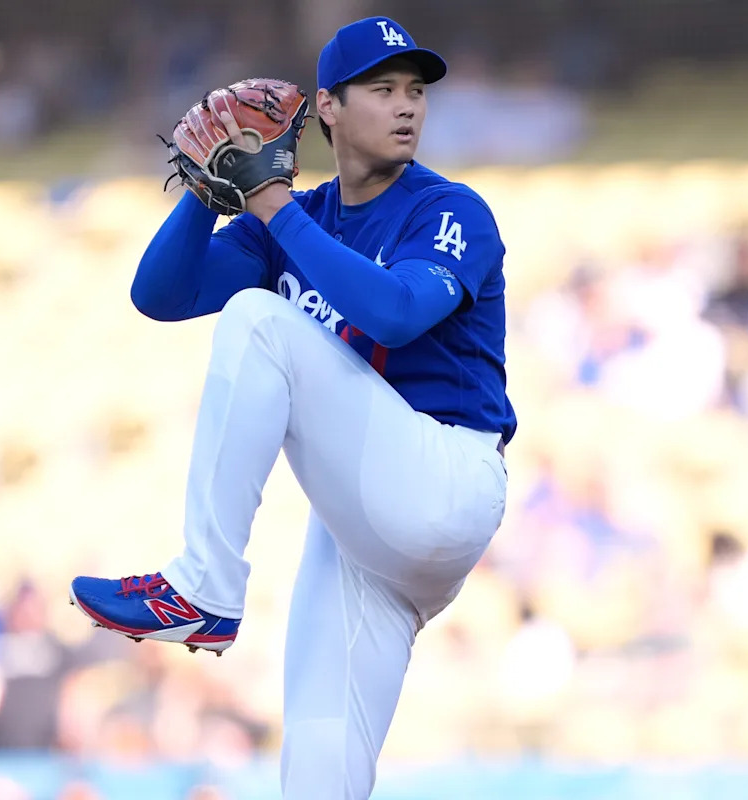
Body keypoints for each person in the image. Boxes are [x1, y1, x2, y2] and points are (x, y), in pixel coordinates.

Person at [69, 16, 514, 799]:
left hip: (443, 478)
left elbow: (397, 314)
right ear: (329, 108)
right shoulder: (296, 219)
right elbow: (159, 297)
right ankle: (207, 592)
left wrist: (274, 207)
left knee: (259, 321)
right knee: (317, 769)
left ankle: (205, 584)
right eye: (382, 89)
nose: (407, 105)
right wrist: (208, 193)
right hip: (361, 532)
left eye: (416, 90)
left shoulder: (449, 209)